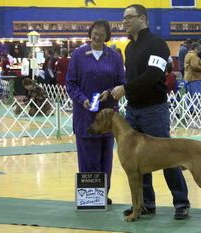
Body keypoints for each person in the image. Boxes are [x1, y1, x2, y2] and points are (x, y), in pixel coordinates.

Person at [111, 4, 190, 220]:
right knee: (137, 162)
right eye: (123, 18)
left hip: (154, 108)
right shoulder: (129, 47)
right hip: (133, 110)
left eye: (129, 17)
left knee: (168, 157)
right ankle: (145, 204)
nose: (124, 22)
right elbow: (133, 77)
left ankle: (181, 202)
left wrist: (126, 89)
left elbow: (154, 74)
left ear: (143, 19)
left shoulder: (157, 44)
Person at [66, 20, 125, 205]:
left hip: (108, 115)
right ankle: (90, 197)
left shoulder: (115, 56)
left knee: (105, 157)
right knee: (87, 156)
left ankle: (103, 195)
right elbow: (70, 82)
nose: (97, 37)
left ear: (107, 36)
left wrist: (111, 91)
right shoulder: (78, 54)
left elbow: (122, 81)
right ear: (90, 33)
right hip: (85, 115)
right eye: (94, 33)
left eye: (101, 34)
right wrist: (82, 98)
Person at [184, 42, 201, 113]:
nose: (199, 51)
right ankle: (195, 110)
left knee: (190, 96)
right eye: (199, 49)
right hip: (195, 78)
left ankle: (189, 110)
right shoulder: (194, 56)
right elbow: (194, 66)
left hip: (188, 77)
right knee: (196, 95)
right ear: (195, 49)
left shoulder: (188, 54)